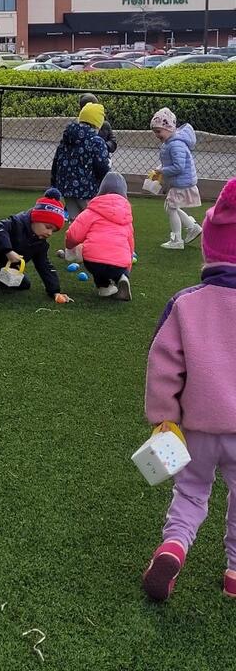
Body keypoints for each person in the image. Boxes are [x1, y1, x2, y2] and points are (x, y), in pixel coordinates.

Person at [142, 178, 236, 601]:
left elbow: (163, 365)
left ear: (209, 249)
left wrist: (164, 419)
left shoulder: (186, 302)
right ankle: (234, 574)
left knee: (191, 493)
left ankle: (173, 547)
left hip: (196, 428)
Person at [0, 188, 70, 300]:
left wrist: (55, 292)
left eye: (53, 231)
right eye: (48, 227)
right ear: (36, 219)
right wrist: (8, 251)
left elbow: (44, 266)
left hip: (3, 264)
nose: (49, 233)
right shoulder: (16, 223)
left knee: (24, 284)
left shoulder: (40, 244)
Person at [64, 172, 134, 300]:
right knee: (119, 268)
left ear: (101, 190)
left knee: (98, 269)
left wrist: (70, 246)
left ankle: (104, 287)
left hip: (94, 260)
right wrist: (127, 266)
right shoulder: (126, 216)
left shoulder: (91, 211)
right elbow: (130, 243)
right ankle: (122, 277)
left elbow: (74, 234)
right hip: (119, 262)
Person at [150, 107, 202, 250]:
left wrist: (162, 170)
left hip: (181, 182)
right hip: (180, 181)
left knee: (171, 208)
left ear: (169, 129)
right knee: (171, 207)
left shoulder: (175, 144)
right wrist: (160, 168)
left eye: (158, 131)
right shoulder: (170, 143)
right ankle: (192, 227)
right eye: (155, 132)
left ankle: (177, 239)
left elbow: (178, 167)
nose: (156, 135)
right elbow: (171, 162)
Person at [51, 102, 111, 221]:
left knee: (75, 219)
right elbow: (102, 166)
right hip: (88, 188)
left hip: (66, 186)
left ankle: (74, 232)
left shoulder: (67, 138)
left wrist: (54, 183)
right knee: (91, 218)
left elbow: (56, 162)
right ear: (97, 124)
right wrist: (106, 182)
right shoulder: (96, 141)